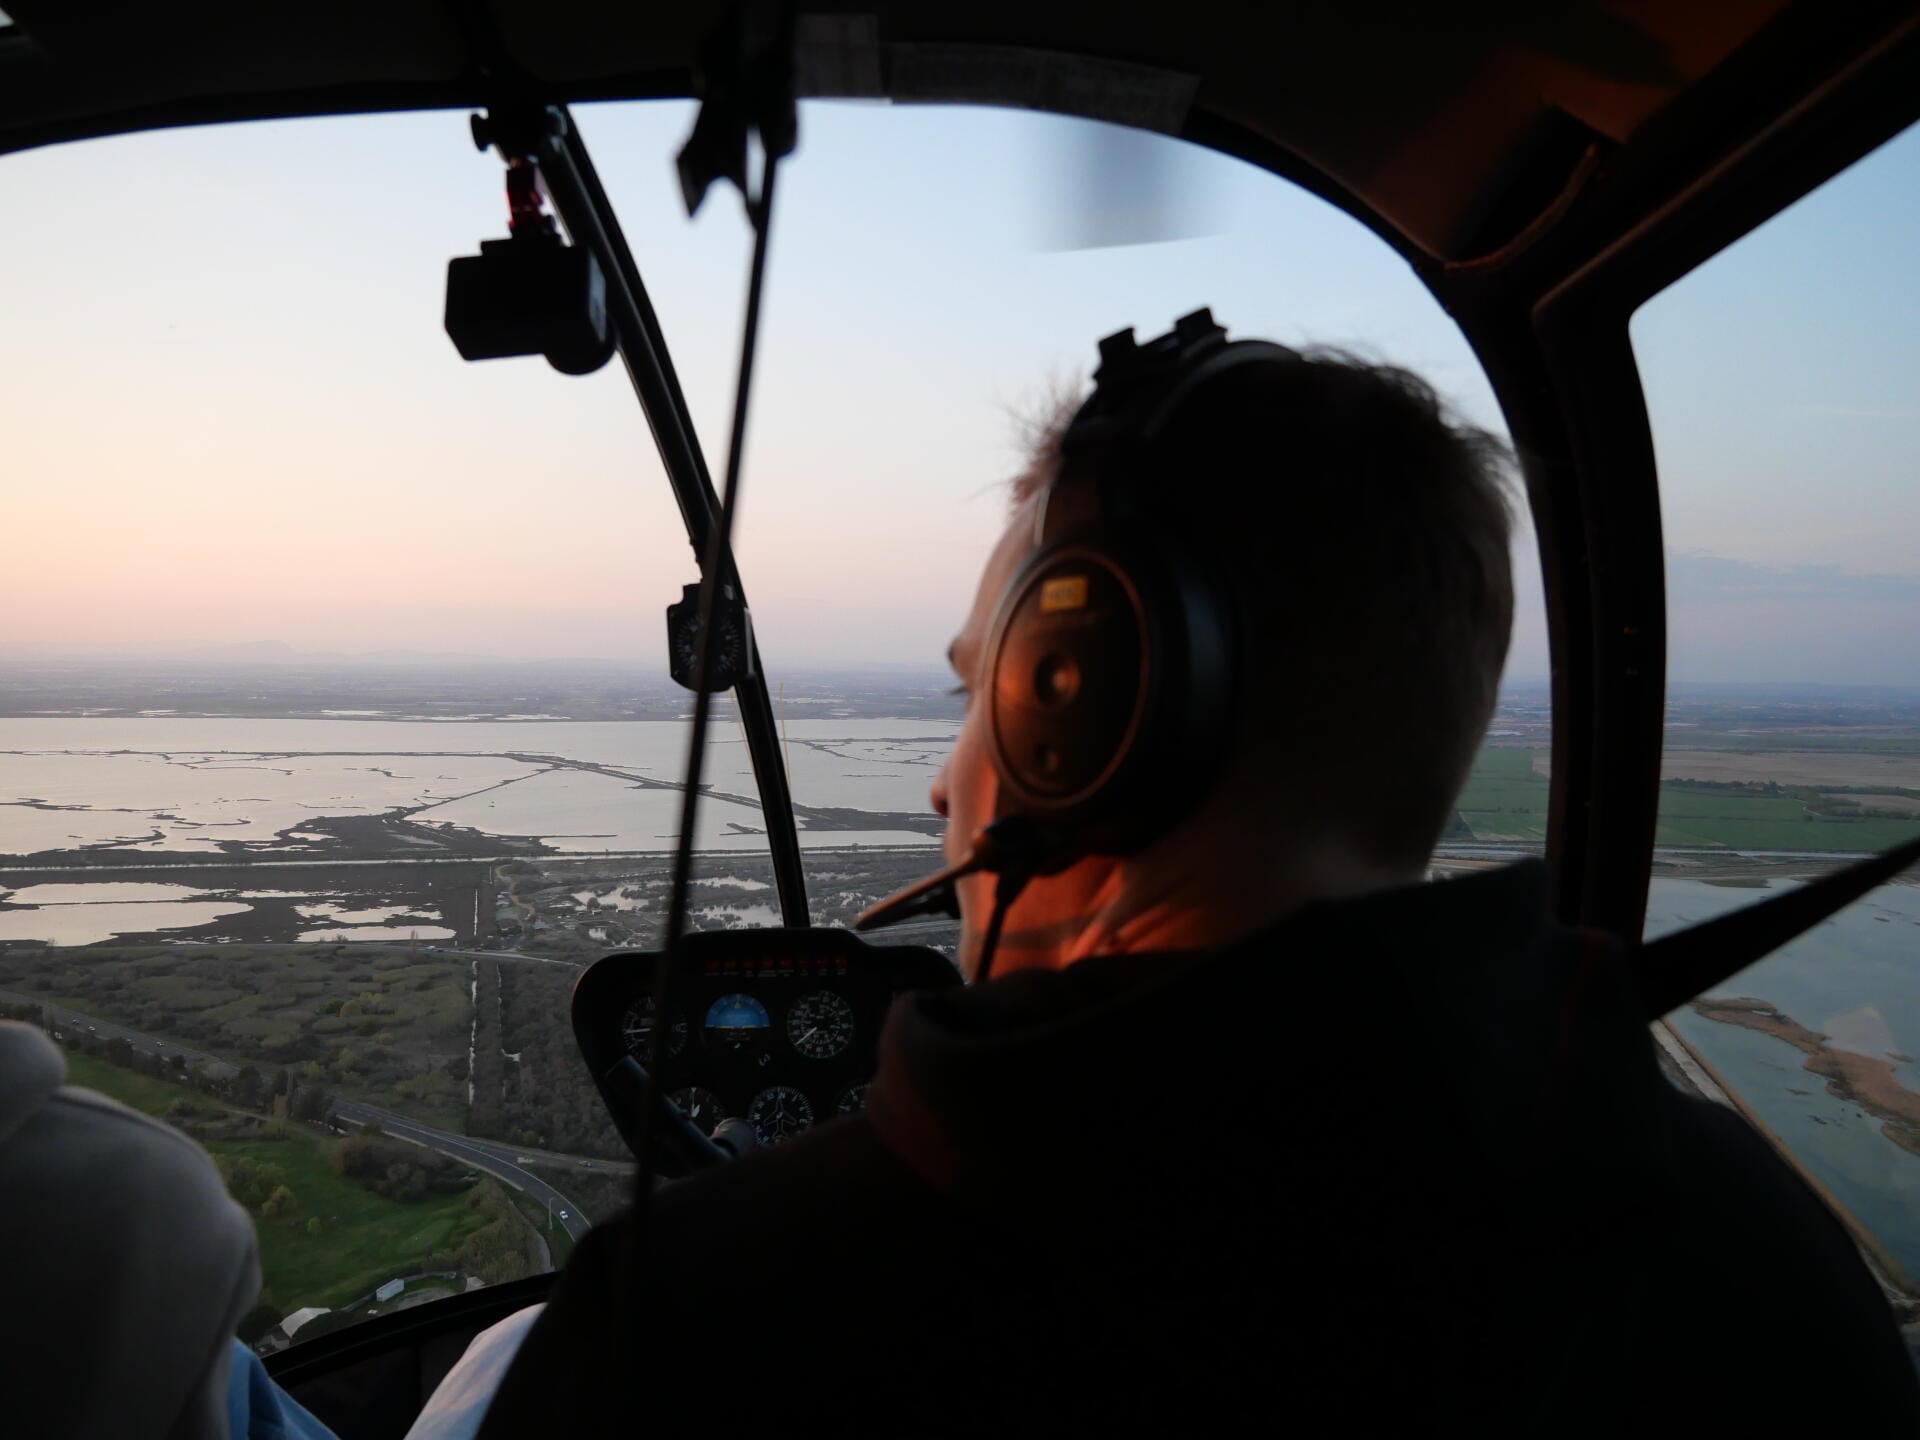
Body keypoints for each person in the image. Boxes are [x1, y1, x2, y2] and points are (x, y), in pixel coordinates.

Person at [462, 328, 1920, 1434]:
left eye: (977, 696)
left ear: (1084, 711)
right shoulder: (1751, 1252)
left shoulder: (711, 1322)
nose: (941, 785)